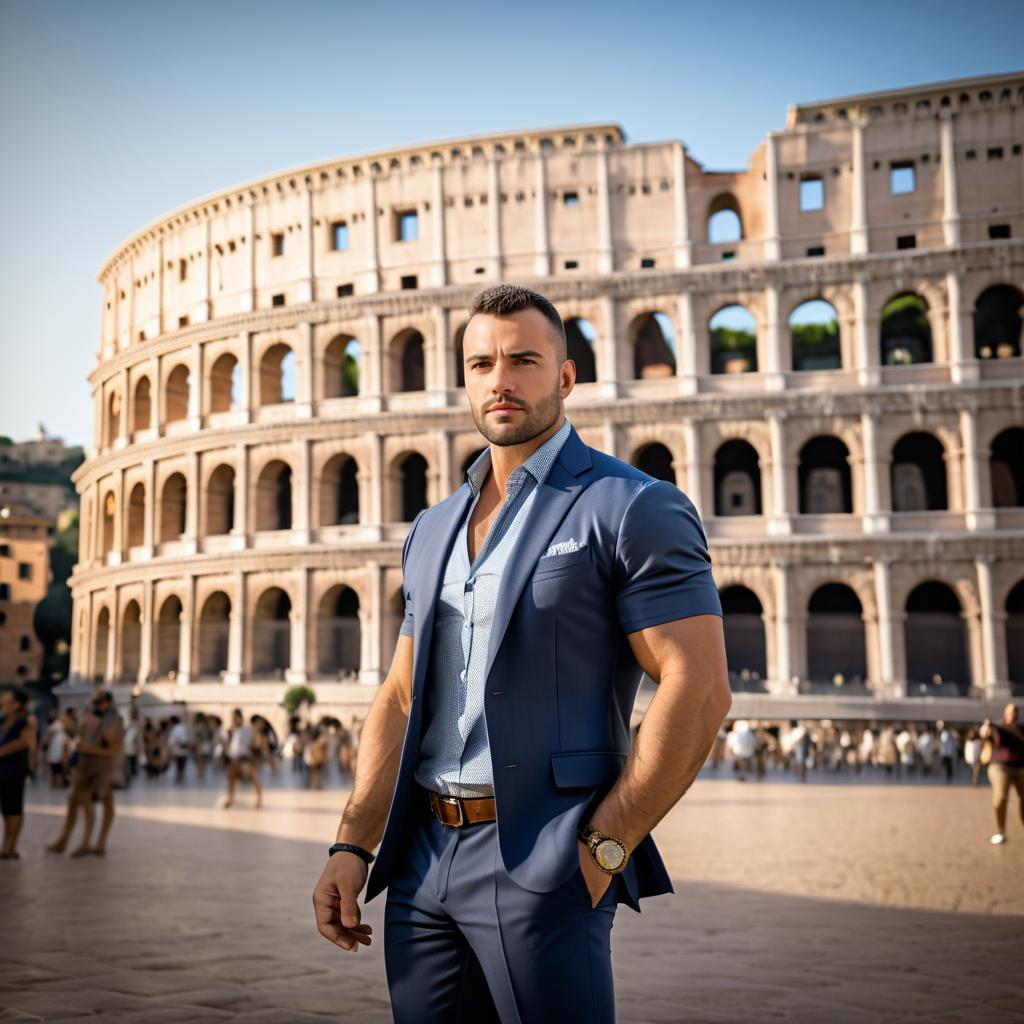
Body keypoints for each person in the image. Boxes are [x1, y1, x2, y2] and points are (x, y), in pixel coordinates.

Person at [311, 284, 730, 1022]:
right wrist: (354, 843)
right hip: (419, 861)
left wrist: (607, 846)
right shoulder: (433, 527)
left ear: (565, 379)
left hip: (542, 857)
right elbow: (401, 695)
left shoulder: (632, 505)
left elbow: (697, 687)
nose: (500, 380)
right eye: (481, 363)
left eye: (524, 360)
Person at [47, 688, 124, 857]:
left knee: (101, 802)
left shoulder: (113, 719)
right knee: (76, 800)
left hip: (104, 768)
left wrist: (89, 745)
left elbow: (112, 746)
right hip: (87, 765)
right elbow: (81, 736)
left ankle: (95, 842)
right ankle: (66, 840)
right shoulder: (92, 717)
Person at [979, 703, 1024, 845]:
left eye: (1015, 711)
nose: (1014, 714)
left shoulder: (1020, 729)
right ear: (1005, 714)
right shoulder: (997, 728)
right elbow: (985, 734)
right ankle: (1001, 830)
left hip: (1020, 767)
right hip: (1000, 767)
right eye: (1011, 712)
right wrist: (985, 730)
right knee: (1001, 797)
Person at [0, 687, 34, 859]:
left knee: (14, 808)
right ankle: (6, 844)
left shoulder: (24, 721)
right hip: (3, 769)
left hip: (14, 769)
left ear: (16, 704)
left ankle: (10, 846)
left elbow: (25, 742)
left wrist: (2, 751)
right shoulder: (4, 720)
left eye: (8, 697)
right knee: (6, 809)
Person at [223, 708, 262, 809]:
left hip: (245, 758)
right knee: (231, 778)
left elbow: (256, 741)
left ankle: (259, 799)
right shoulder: (233, 730)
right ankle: (230, 798)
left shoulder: (248, 728)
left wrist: (252, 748)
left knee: (253, 778)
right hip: (234, 758)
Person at [167, 715, 191, 784]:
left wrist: (170, 747)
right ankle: (181, 776)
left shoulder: (175, 729)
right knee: (182, 765)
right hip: (184, 748)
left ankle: (179, 777)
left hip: (178, 749)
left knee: (178, 765)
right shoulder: (183, 727)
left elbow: (172, 740)